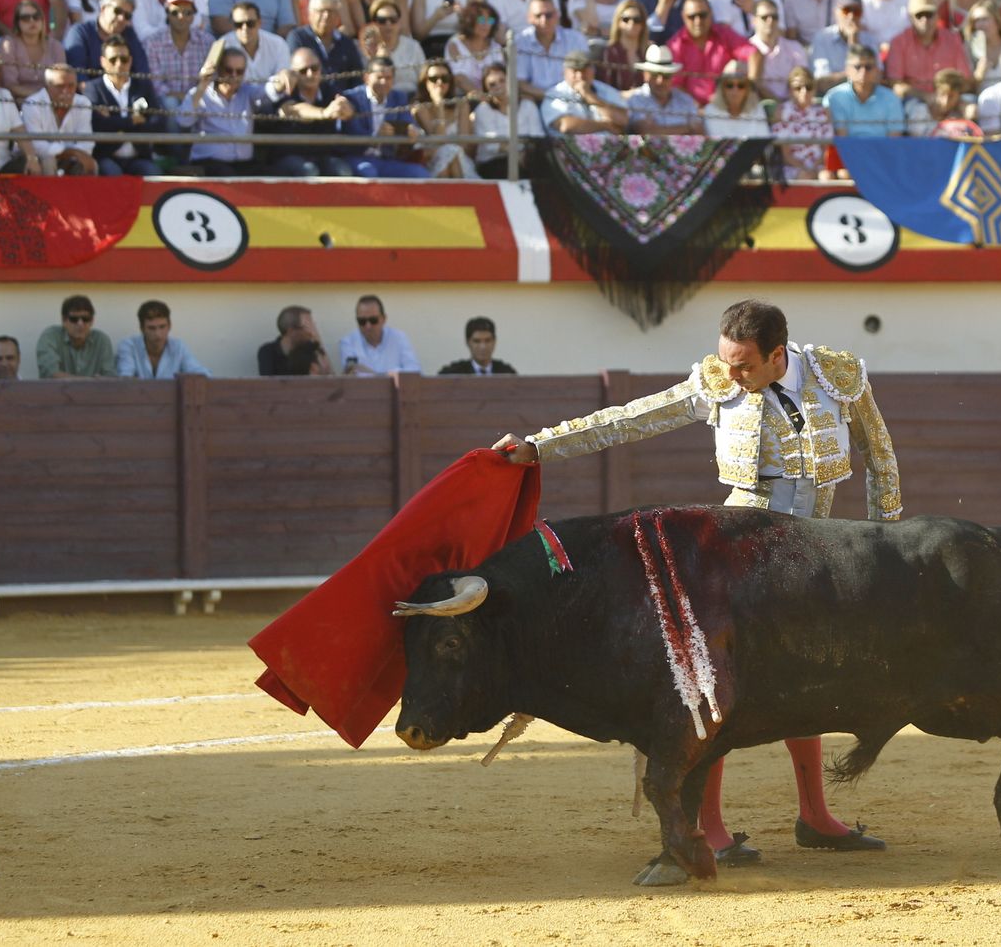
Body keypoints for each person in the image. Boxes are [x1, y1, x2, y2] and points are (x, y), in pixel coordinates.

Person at [493, 298, 899, 866]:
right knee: (712, 685)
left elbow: (881, 458)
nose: (729, 376)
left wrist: (884, 547)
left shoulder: (839, 377)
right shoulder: (716, 381)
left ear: (778, 354)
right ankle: (709, 827)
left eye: (744, 366)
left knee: (808, 680)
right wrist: (541, 445)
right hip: (735, 554)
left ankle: (815, 815)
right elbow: (631, 417)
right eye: (725, 361)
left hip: (815, 548)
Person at [258, 45, 357, 176]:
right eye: (303, 71)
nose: (310, 74)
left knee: (343, 171)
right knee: (309, 171)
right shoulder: (287, 91)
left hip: (321, 156)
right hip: (287, 157)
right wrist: (324, 113)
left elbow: (347, 106)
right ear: (294, 73)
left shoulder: (328, 90)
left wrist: (345, 109)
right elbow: (294, 109)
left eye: (314, 68)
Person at [338, 55, 430, 179]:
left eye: (388, 78)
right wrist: (376, 137)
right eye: (379, 77)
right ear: (366, 78)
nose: (384, 82)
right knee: (368, 173)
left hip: (387, 160)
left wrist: (411, 132)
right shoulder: (351, 99)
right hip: (359, 158)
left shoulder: (399, 97)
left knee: (420, 173)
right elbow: (352, 135)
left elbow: (408, 123)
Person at [178, 44, 262, 175]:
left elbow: (268, 93)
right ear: (219, 69)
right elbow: (183, 121)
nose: (234, 76)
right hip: (210, 163)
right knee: (226, 174)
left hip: (244, 164)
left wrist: (280, 81)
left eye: (239, 72)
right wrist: (202, 86)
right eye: (229, 70)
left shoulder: (248, 92)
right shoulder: (200, 93)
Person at [83, 33, 159, 175]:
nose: (119, 64)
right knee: (111, 173)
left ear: (130, 61)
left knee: (153, 174)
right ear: (103, 62)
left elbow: (156, 121)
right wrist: (133, 120)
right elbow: (98, 124)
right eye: (113, 59)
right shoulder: (92, 88)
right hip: (106, 156)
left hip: (139, 156)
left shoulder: (143, 86)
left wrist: (114, 123)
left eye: (124, 59)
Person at [666, 0, 759, 105]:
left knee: (736, 66)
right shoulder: (675, 45)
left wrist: (751, 89)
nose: (698, 21)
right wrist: (697, 108)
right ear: (683, 17)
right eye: (692, 17)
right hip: (690, 111)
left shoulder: (723, 34)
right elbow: (675, 86)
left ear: (710, 14)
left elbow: (754, 54)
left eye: (702, 15)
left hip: (726, 107)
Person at [883, 0, 970, 106]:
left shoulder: (952, 39)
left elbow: (964, 79)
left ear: (937, 15)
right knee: (918, 112)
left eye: (929, 14)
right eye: (919, 15)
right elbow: (896, 84)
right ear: (910, 18)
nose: (925, 20)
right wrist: (926, 97)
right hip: (915, 100)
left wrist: (949, 98)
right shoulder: (899, 42)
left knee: (972, 108)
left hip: (951, 98)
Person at [21, 60, 95, 174]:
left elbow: (86, 143)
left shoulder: (83, 103)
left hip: (70, 158)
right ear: (47, 87)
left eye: (71, 86)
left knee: (90, 164)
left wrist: (72, 154)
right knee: (48, 162)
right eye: (60, 86)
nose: (66, 91)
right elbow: (36, 146)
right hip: (38, 159)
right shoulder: (32, 104)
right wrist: (72, 152)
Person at [513, 0, 586, 102]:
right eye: (538, 16)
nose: (544, 20)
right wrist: (552, 96)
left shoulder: (576, 39)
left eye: (548, 15)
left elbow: (586, 75)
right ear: (529, 18)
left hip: (572, 99)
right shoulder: (520, 42)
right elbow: (521, 84)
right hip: (535, 100)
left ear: (557, 15)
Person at [823, 42, 902, 144]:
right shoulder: (834, 98)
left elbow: (894, 142)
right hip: (846, 155)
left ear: (877, 70)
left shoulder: (891, 99)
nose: (863, 72)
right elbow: (842, 141)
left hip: (882, 155)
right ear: (847, 70)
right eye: (857, 67)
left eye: (868, 67)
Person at [412, 58, 478, 178]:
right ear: (425, 82)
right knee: (447, 153)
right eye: (433, 79)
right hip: (433, 162)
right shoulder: (420, 108)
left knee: (450, 151)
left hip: (461, 160)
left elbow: (464, 143)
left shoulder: (462, 105)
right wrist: (440, 106)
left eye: (445, 78)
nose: (439, 83)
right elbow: (437, 140)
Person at [471, 62, 539, 177]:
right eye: (492, 84)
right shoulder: (483, 110)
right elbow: (491, 145)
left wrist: (524, 153)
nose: (498, 86)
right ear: (487, 90)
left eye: (502, 81)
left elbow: (537, 136)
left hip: (526, 156)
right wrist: (515, 152)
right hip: (494, 161)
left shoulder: (528, 106)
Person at [286, 0, 363, 89]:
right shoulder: (298, 38)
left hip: (343, 99)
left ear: (338, 17)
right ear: (310, 15)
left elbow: (357, 76)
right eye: (321, 11)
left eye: (331, 11)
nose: (326, 16)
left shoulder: (346, 43)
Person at [541, 49, 629, 133]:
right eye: (575, 71)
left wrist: (590, 96)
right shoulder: (555, 93)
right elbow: (565, 125)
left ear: (593, 70)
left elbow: (623, 120)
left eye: (584, 70)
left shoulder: (606, 90)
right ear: (565, 72)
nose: (580, 76)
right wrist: (605, 125)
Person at [116, 299, 210, 378]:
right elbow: (125, 378)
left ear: (170, 326)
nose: (158, 334)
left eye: (162, 327)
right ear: (142, 328)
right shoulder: (129, 346)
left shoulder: (178, 346)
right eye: (151, 328)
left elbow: (201, 374)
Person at [0, 0, 67, 102]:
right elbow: (9, 84)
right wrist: (39, 97)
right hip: (18, 101)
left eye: (36, 17)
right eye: (25, 18)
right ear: (17, 23)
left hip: (52, 101)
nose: (32, 21)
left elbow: (61, 80)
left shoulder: (55, 46)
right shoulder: (9, 44)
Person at [807, 0, 873, 92]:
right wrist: (858, 75)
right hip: (832, 99)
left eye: (856, 11)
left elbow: (877, 78)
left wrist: (854, 43)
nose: (851, 16)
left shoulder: (870, 39)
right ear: (836, 12)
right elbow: (821, 83)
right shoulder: (822, 38)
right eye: (846, 10)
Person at [626, 43, 702, 132]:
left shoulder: (685, 101)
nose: (660, 81)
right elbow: (645, 131)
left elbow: (699, 130)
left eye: (666, 75)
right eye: (655, 75)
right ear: (645, 75)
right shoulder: (636, 100)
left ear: (673, 76)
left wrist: (658, 129)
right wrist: (688, 127)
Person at [208, 0, 289, 83]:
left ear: (259, 23)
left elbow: (283, 77)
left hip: (273, 94)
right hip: (235, 95)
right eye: (238, 24)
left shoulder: (278, 44)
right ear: (232, 25)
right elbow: (212, 80)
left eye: (250, 23)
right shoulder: (222, 45)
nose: (245, 28)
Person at [36, 294, 117, 378]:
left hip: (95, 391)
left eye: (85, 319)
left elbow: (109, 378)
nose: (80, 324)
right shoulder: (50, 336)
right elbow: (51, 374)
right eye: (74, 319)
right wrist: (90, 382)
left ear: (92, 321)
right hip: (56, 391)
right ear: (64, 320)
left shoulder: (102, 341)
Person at [338, 294, 421, 374]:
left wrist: (373, 374)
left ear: (384, 319)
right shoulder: (348, 343)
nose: (368, 326)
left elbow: (414, 371)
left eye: (373, 320)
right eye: (362, 321)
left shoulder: (399, 338)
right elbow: (352, 378)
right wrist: (393, 375)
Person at [772, 64, 829, 178]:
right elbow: (785, 154)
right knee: (805, 176)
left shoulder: (823, 112)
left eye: (808, 87)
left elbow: (826, 149)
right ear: (790, 90)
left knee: (827, 177)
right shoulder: (782, 111)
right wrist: (806, 169)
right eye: (798, 88)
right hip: (792, 167)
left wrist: (814, 167)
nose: (804, 92)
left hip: (819, 165)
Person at [748, 0, 804, 99]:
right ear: (754, 21)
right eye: (764, 17)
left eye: (774, 17)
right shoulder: (745, 50)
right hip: (758, 106)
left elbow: (803, 82)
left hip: (791, 105)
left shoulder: (794, 48)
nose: (770, 21)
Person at [701, 58, 768, 137]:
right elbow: (716, 143)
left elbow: (764, 140)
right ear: (722, 89)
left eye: (741, 85)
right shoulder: (711, 110)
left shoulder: (757, 109)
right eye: (729, 85)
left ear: (748, 90)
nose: (735, 90)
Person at [259, 304, 330, 375]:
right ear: (291, 331)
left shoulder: (312, 350)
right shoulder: (268, 351)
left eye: (313, 325)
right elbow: (269, 382)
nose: (311, 331)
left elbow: (329, 376)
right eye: (307, 327)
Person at [597, 0, 649, 90]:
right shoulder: (610, 52)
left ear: (643, 24)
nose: (631, 23)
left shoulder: (650, 51)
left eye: (637, 19)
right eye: (626, 19)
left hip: (647, 103)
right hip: (616, 103)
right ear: (618, 22)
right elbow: (605, 90)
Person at [439, 316, 517, 375]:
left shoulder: (506, 373)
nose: (483, 346)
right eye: (477, 341)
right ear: (468, 342)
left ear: (494, 341)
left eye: (487, 341)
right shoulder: (452, 373)